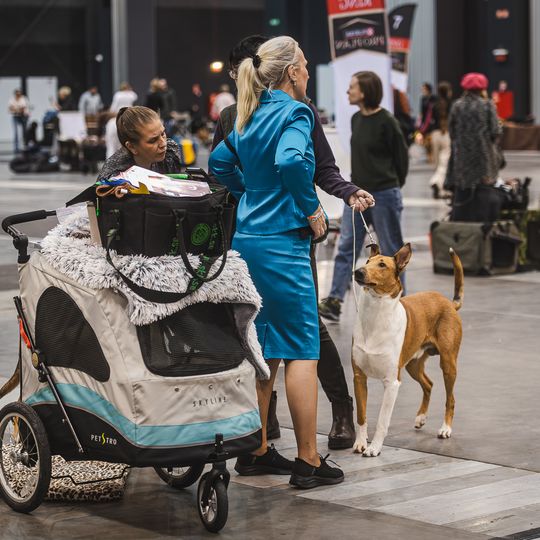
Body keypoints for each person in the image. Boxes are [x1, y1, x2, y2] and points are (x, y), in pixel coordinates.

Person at [212, 34, 375, 452]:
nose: (307, 72)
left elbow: (218, 163)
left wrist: (250, 194)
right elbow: (289, 161)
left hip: (248, 239)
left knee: (263, 348)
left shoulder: (247, 112)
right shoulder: (296, 112)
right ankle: (308, 460)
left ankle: (258, 451)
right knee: (304, 348)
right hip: (284, 241)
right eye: (303, 64)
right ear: (291, 72)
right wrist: (311, 209)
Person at [319, 71, 409, 323]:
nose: (348, 91)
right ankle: (334, 301)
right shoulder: (356, 118)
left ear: (365, 91)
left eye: (352, 87)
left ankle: (399, 304)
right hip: (357, 194)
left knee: (392, 251)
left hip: (384, 194)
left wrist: (390, 185)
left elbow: (401, 160)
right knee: (346, 247)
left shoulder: (387, 121)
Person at [448, 73, 503, 222]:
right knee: (483, 195)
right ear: (482, 88)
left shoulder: (457, 106)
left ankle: (463, 225)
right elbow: (495, 131)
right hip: (484, 160)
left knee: (463, 195)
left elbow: (451, 132)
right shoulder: (487, 105)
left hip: (462, 160)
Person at [98, 106, 182, 180]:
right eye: (152, 140)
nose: (163, 144)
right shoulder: (114, 177)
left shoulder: (170, 153)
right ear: (131, 147)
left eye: (163, 134)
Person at [429, 81, 453, 199]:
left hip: (435, 134)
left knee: (437, 162)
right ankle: (437, 182)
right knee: (444, 163)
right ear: (448, 92)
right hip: (446, 134)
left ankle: (439, 187)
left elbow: (428, 119)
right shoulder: (452, 105)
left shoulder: (433, 104)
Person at [417, 82, 436, 162]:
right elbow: (421, 111)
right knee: (425, 139)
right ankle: (428, 155)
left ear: (428, 89)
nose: (422, 90)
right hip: (424, 121)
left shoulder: (433, 98)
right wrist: (419, 121)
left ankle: (432, 154)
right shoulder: (423, 98)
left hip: (431, 121)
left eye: (424, 88)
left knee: (431, 138)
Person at [8, 89, 30, 154]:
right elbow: (10, 108)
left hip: (23, 116)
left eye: (19, 94)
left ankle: (25, 146)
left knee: (24, 132)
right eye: (17, 94)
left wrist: (15, 109)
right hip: (15, 116)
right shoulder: (12, 100)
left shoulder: (23, 99)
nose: (18, 95)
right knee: (16, 132)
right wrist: (17, 109)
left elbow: (22, 109)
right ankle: (16, 148)